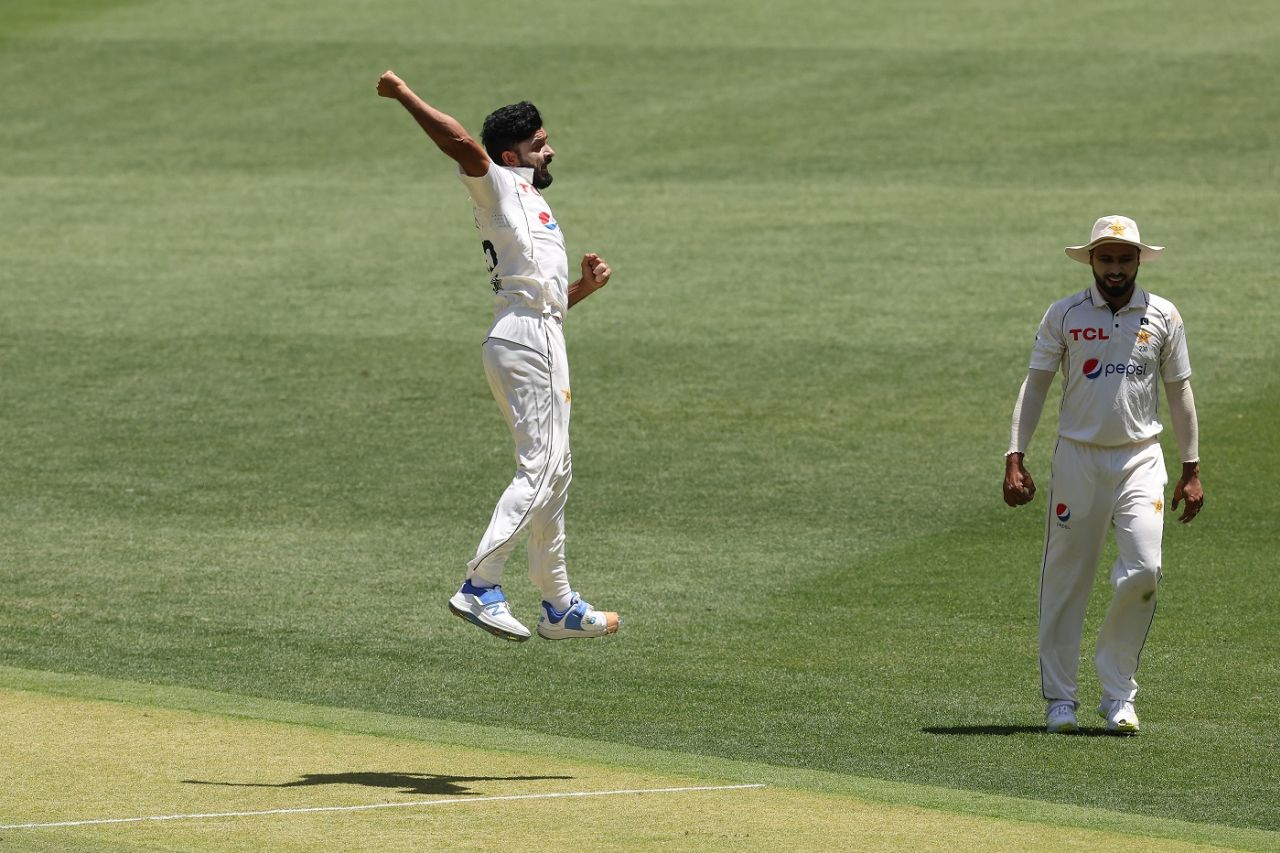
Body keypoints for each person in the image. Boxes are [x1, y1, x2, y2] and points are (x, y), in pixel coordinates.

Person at [376, 70, 620, 642]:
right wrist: (404, 94)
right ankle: (479, 583)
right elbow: (461, 144)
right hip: (524, 340)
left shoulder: (529, 200)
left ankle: (558, 604)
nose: (549, 149)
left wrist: (582, 290)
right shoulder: (497, 184)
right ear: (511, 153)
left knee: (555, 471)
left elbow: (540, 297)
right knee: (539, 468)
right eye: (539, 143)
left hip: (541, 335)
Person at [1002, 215, 1204, 734]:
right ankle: (1060, 702)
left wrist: (1191, 466)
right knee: (1066, 579)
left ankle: (1118, 694)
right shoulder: (1064, 314)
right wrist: (1015, 454)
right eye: (1106, 258)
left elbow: (1179, 391)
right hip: (1078, 458)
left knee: (1144, 572)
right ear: (1091, 260)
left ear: (1139, 260)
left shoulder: (1163, 315)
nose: (1115, 268)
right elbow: (1037, 384)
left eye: (1124, 258)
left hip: (1141, 457)